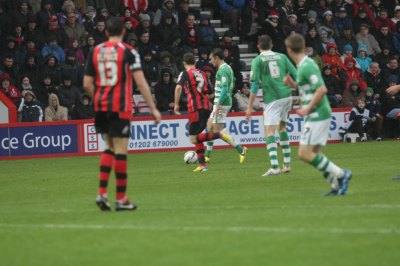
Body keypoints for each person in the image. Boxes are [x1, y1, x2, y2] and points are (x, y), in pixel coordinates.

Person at [83, 17, 161, 211]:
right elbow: (141, 82)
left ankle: (102, 193)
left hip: (101, 107)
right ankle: (121, 199)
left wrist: (98, 99)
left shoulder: (95, 51)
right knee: (120, 151)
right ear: (124, 32)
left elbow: (86, 84)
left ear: (106, 32)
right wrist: (153, 108)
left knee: (108, 147)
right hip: (120, 107)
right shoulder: (129, 52)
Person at [284, 33, 352, 196]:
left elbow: (321, 89)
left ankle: (342, 174)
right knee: (316, 153)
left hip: (317, 114)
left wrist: (307, 109)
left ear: (289, 49)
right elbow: (310, 87)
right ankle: (335, 186)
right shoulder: (304, 65)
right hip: (316, 114)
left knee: (304, 153)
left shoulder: (306, 65)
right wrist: (293, 84)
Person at [174, 52, 234, 172]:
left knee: (193, 138)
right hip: (207, 107)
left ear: (184, 63)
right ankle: (202, 166)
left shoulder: (185, 73)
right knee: (197, 137)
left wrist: (176, 105)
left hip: (195, 108)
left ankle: (220, 135)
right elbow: (211, 93)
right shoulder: (203, 73)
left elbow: (178, 87)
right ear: (195, 62)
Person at [246, 35, 296, 176]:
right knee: (282, 128)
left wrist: (249, 107)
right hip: (287, 96)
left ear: (258, 47)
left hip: (273, 98)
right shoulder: (282, 57)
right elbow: (296, 74)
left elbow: (255, 86)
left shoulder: (257, 60)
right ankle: (286, 164)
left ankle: (275, 167)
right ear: (272, 45)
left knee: (269, 132)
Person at [205, 48, 248, 163]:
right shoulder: (228, 68)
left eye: (211, 59)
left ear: (217, 57)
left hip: (221, 103)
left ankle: (240, 149)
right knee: (209, 127)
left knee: (217, 132)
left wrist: (219, 103)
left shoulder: (222, 70)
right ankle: (207, 156)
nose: (210, 61)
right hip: (222, 101)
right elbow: (231, 83)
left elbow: (224, 87)